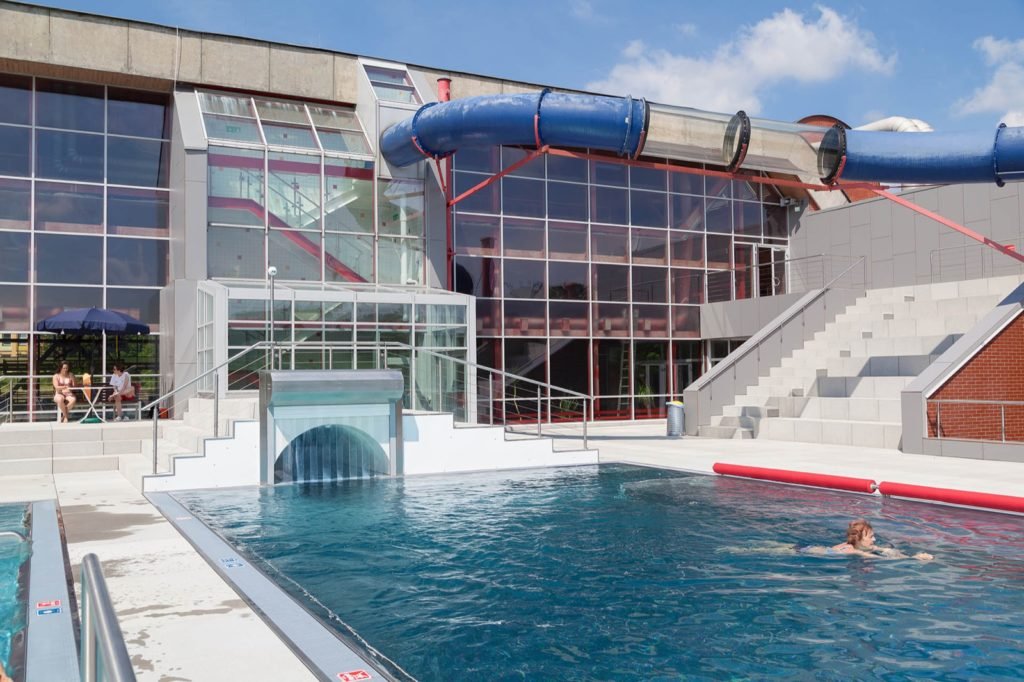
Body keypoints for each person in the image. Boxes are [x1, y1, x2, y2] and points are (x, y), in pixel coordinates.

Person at [816, 519, 933, 560]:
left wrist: (911, 557)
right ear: (859, 539)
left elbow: (885, 550)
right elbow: (876, 558)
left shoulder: (864, 546)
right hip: (816, 551)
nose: (874, 539)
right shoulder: (851, 550)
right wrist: (914, 559)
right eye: (871, 537)